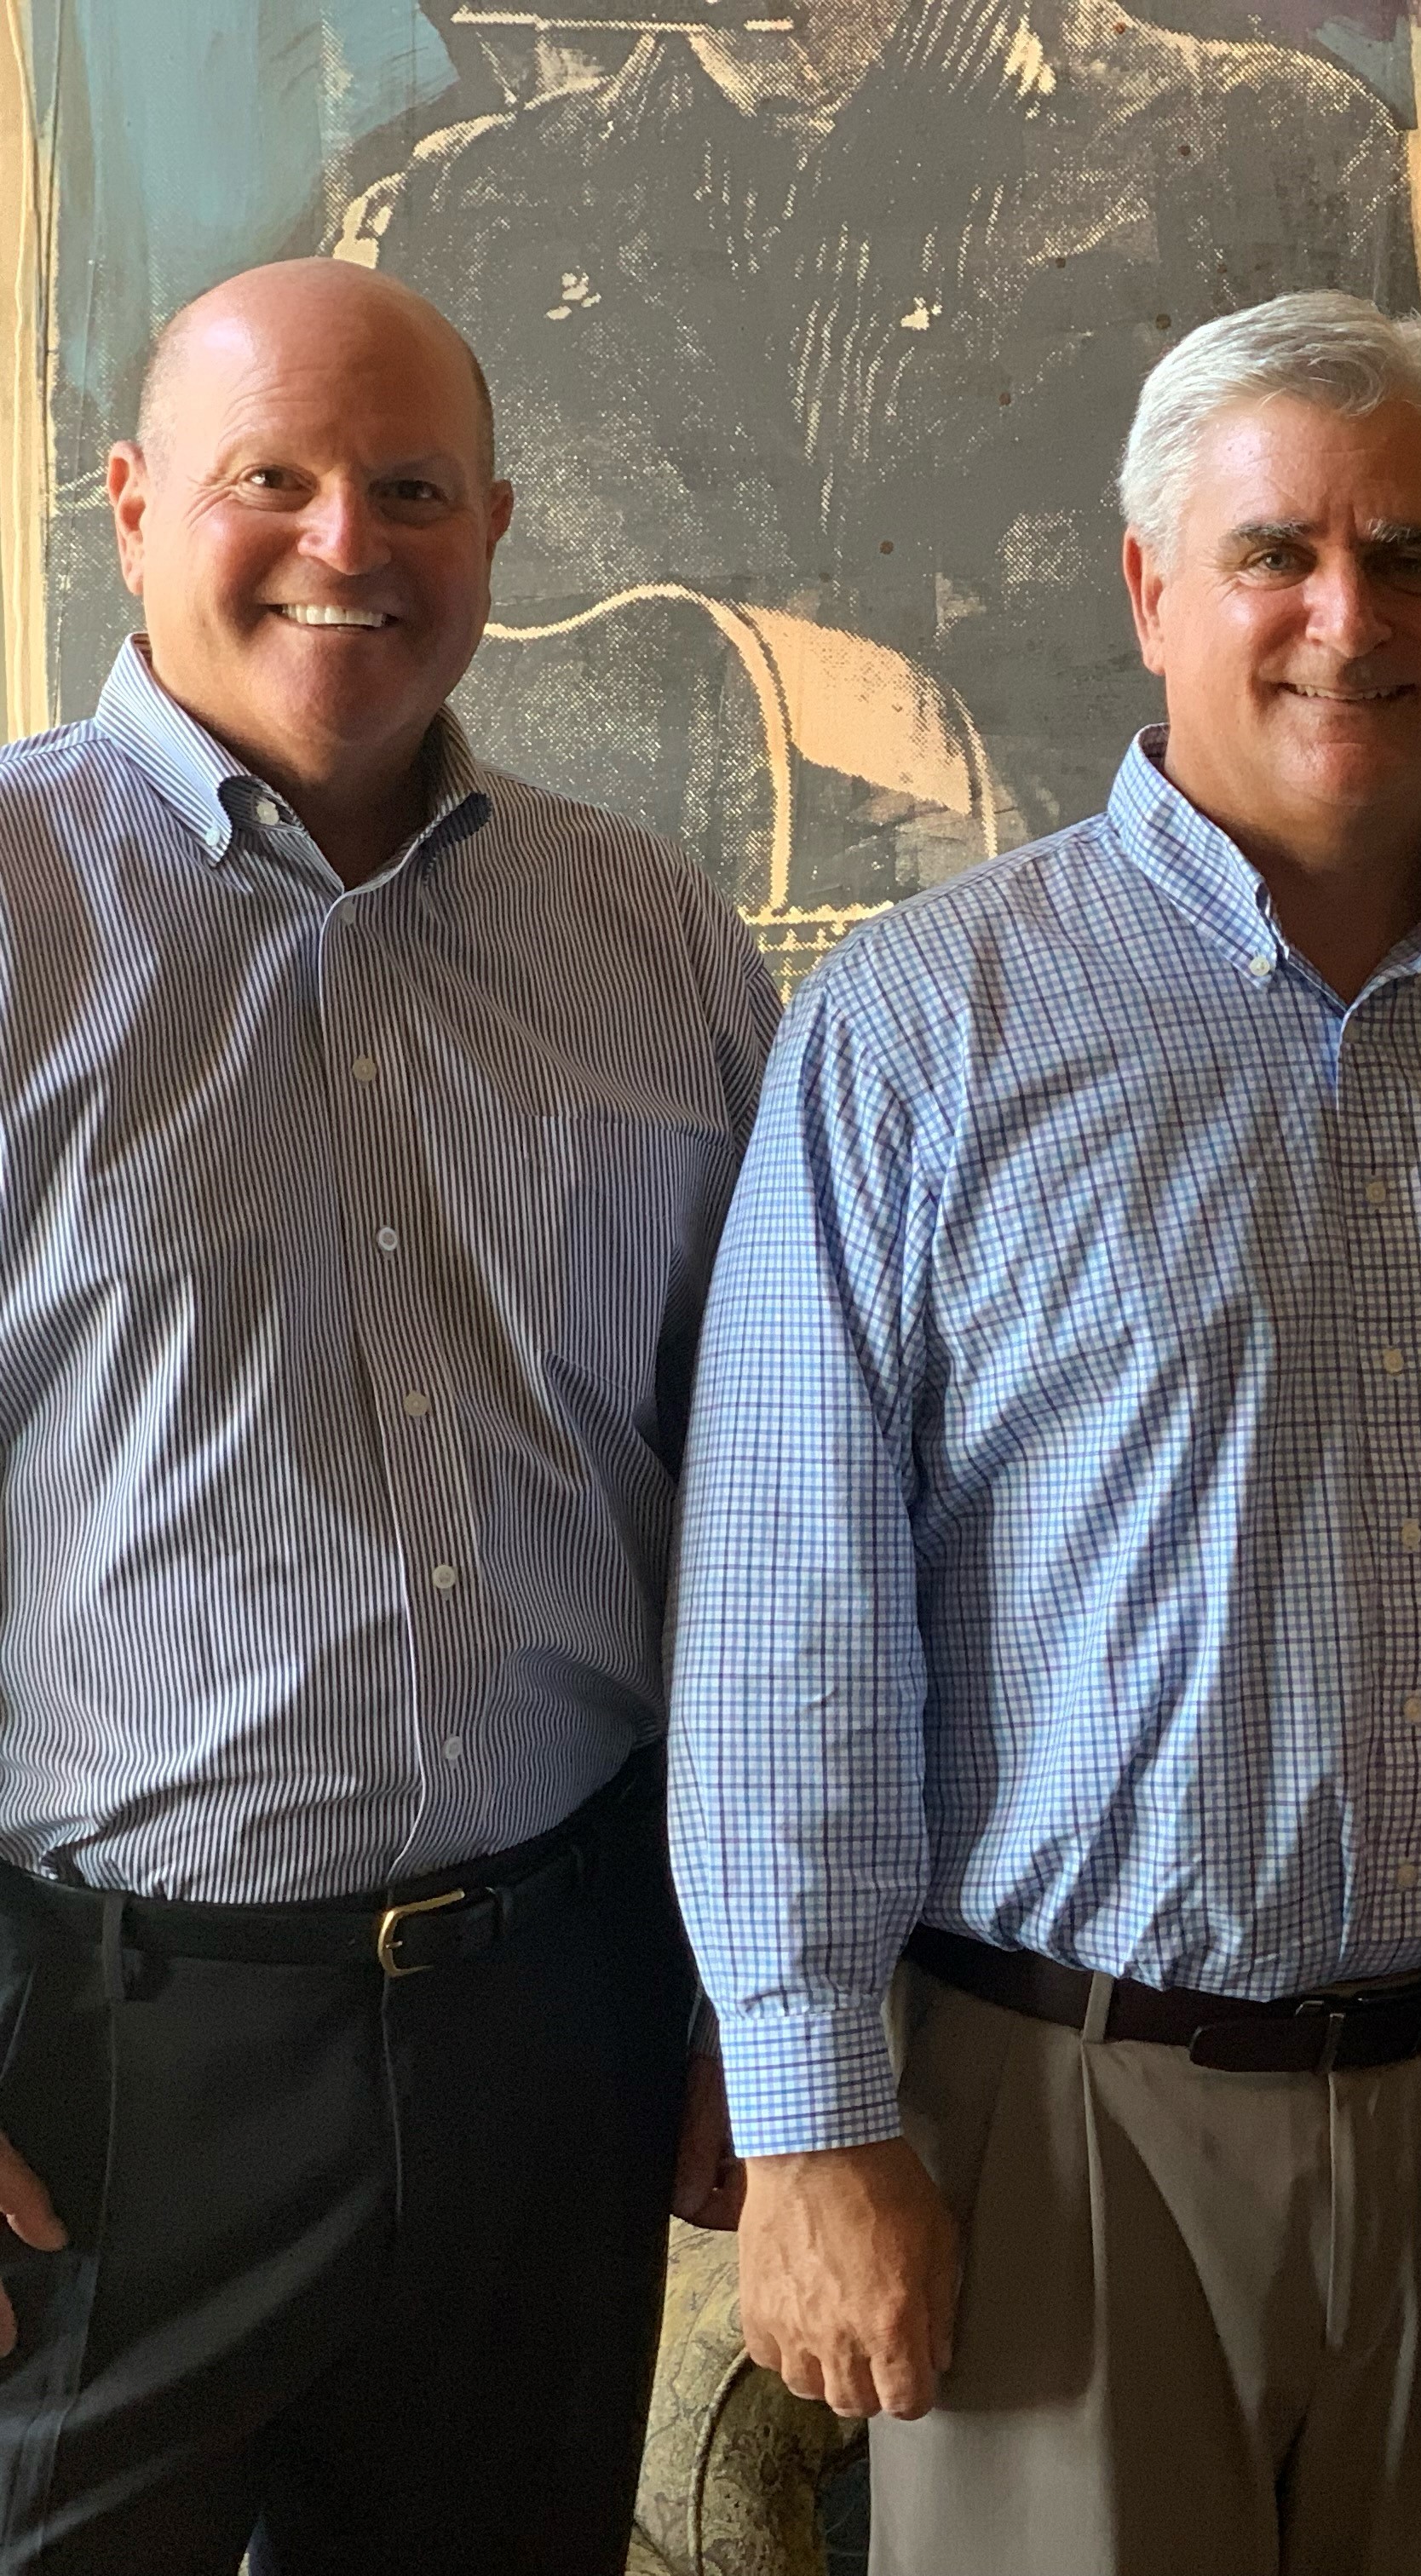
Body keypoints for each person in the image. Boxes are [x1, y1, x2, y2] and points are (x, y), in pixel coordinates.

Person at [667, 290, 1421, 2576]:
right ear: (1152, 590)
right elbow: (788, 1610)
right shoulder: (920, 1027)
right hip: (1064, 2129)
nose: (1353, 616)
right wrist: (817, 2128)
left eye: (1418, 558)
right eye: (1278, 554)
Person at [0, 258, 778, 2572]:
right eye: (271, 479)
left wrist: (766, 1996)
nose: (348, 540)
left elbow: (777, 1511)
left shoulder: (652, 944)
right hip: (101, 2063)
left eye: (412, 488)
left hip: (555, 2026)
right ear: (133, 509)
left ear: (499, 534)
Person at [344, 0, 1421, 900]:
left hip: (1102, 1003)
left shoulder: (1264, 146)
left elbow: (1372, 629)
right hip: (613, 1029)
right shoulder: (474, 200)